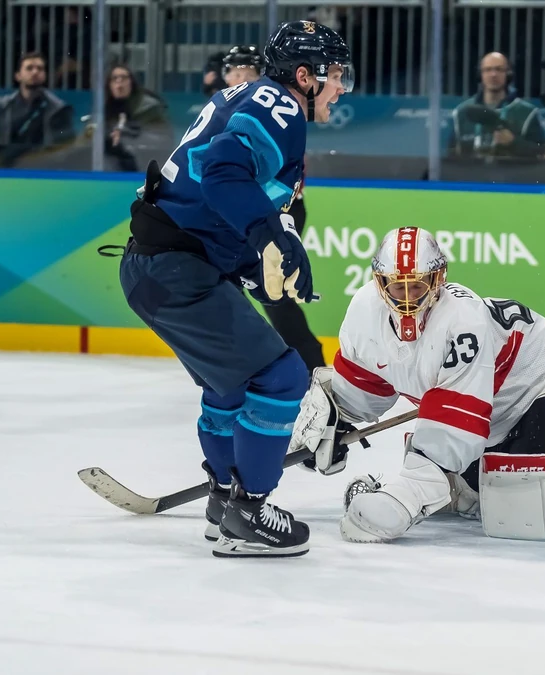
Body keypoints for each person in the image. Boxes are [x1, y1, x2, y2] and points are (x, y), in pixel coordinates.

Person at [114, 20, 354, 559]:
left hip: (158, 267)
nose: (341, 88)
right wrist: (270, 235)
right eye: (336, 75)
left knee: (229, 387)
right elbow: (223, 172)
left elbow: (211, 194)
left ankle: (224, 501)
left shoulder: (247, 95)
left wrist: (257, 260)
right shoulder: (282, 105)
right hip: (179, 271)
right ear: (305, 76)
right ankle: (249, 512)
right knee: (282, 377)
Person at [292, 227, 545, 543]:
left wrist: (408, 494)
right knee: (491, 489)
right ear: (379, 282)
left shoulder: (463, 321)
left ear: (438, 278)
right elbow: (366, 387)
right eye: (398, 287)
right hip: (491, 416)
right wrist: (335, 419)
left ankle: (464, 486)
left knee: (528, 503)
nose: (408, 298)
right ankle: (463, 487)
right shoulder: (364, 310)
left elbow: (456, 424)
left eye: (417, 285)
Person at [217, 44, 328, 371]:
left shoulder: (274, 108)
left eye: (246, 71)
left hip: (277, 210)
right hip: (243, 209)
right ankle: (245, 367)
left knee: (273, 292)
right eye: (233, 71)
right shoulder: (228, 106)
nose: (239, 77)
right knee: (232, 286)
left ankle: (311, 368)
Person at [446, 52, 545, 159]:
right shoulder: (462, 112)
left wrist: (513, 142)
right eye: (488, 70)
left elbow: (541, 152)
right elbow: (452, 154)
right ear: (480, 74)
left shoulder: (527, 113)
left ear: (508, 74)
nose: (493, 74)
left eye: (499, 69)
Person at [0, 52, 75, 163]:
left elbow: (65, 146)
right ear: (18, 76)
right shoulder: (4, 106)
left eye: (40, 69)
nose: (35, 72)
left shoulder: (58, 109)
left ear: (44, 75)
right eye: (29, 68)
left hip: (45, 165)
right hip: (10, 166)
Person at [95, 65, 170, 172]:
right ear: (109, 84)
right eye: (114, 78)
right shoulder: (103, 109)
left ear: (132, 82)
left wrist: (128, 137)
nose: (119, 83)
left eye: (123, 78)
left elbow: (165, 140)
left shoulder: (149, 107)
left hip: (144, 168)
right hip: (109, 169)